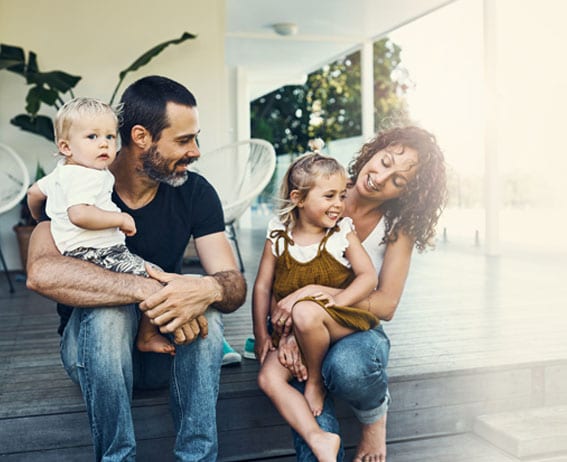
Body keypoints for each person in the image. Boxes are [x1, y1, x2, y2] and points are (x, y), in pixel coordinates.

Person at [26, 75, 247, 461]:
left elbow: (232, 283)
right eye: (183, 140)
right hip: (94, 356)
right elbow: (41, 272)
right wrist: (144, 289)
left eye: (196, 138)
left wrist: (206, 290)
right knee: (110, 313)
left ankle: (198, 458)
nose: (195, 152)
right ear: (142, 137)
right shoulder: (76, 182)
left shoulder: (195, 192)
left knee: (204, 306)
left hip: (165, 352)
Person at [269, 126, 447, 462]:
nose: (381, 178)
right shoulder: (322, 189)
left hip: (358, 328)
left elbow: (386, 304)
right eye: (384, 161)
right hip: (302, 325)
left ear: (406, 193)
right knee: (298, 373)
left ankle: (374, 416)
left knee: (348, 366)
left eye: (398, 180)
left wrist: (313, 298)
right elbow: (278, 273)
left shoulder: (397, 226)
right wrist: (289, 331)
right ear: (374, 151)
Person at [254, 152, 379, 461]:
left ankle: (314, 381)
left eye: (341, 195)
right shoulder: (279, 235)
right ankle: (319, 438)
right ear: (298, 198)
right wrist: (262, 335)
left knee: (306, 311)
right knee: (268, 378)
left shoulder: (341, 233)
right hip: (299, 324)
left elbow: (368, 277)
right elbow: (262, 286)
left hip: (341, 318)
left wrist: (335, 301)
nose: (338, 204)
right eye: (329, 196)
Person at [27, 96, 174, 356]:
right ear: (66, 146)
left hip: (75, 255)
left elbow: (33, 194)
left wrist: (42, 218)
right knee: (158, 278)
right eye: (92, 137)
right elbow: (79, 214)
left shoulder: (61, 173)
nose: (104, 143)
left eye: (109, 136)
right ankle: (147, 335)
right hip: (100, 253)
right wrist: (121, 219)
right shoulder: (88, 176)